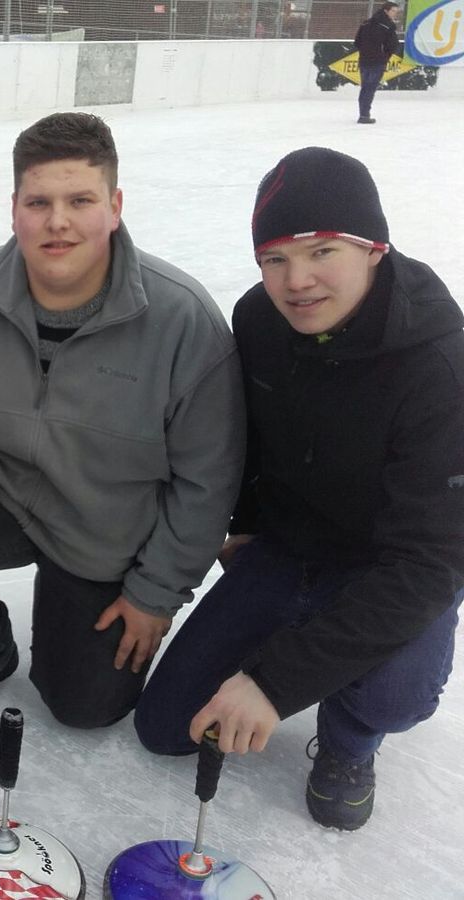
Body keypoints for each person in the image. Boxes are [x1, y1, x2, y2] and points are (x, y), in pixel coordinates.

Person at [135, 147, 464, 832]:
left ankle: (350, 739)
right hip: (292, 550)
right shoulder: (259, 320)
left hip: (392, 568)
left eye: (322, 252)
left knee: (394, 694)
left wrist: (273, 683)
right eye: (274, 258)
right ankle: (300, 640)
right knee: (168, 726)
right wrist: (248, 522)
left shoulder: (441, 367)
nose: (297, 281)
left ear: (374, 247)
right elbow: (249, 437)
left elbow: (431, 563)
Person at [0, 112, 244, 728]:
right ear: (14, 209)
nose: (58, 221)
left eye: (80, 200)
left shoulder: (183, 321)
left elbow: (209, 482)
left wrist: (154, 594)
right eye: (39, 202)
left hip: (106, 532)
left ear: (114, 206)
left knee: (86, 707)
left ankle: (72, 627)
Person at [354, 2, 400, 124]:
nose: (395, 14)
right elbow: (393, 45)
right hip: (377, 61)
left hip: (364, 60)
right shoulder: (388, 25)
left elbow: (357, 42)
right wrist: (385, 56)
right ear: (386, 11)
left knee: (365, 88)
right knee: (370, 88)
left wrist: (365, 52)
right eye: (393, 11)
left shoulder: (366, 23)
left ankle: (363, 114)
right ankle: (364, 115)